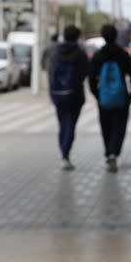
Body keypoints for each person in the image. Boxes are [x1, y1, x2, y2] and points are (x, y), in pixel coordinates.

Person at [88, 24, 131, 173]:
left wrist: (97, 95)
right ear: (116, 36)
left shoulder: (98, 56)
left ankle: (108, 151)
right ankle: (113, 152)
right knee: (119, 127)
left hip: (104, 99)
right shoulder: (123, 54)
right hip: (121, 98)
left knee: (106, 127)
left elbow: (91, 79)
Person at [47, 25, 88, 171]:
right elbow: (84, 73)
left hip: (58, 94)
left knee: (62, 123)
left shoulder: (55, 51)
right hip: (75, 95)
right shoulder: (80, 54)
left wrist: (51, 92)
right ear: (77, 37)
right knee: (71, 124)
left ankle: (63, 152)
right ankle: (65, 153)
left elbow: (50, 72)